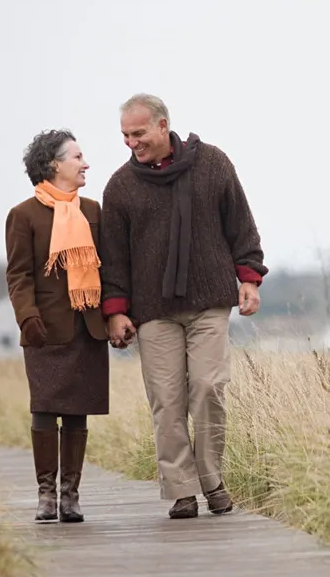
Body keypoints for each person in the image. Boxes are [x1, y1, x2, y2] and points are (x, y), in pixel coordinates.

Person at [99, 93, 267, 519]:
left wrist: (249, 277)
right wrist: (116, 310)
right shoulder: (120, 187)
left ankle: (212, 480)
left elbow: (241, 225)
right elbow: (114, 257)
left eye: (139, 133)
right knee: (167, 400)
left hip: (210, 299)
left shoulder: (212, 164)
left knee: (209, 388)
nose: (132, 142)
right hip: (152, 309)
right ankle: (181, 490)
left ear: (162, 125)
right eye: (125, 135)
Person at [4, 128, 110, 523]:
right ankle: (46, 496)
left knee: (78, 411)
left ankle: (71, 496)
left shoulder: (93, 211)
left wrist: (115, 314)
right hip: (45, 329)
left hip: (88, 325)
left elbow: (108, 267)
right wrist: (27, 317)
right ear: (54, 165)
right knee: (45, 409)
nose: (85, 164)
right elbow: (18, 275)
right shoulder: (23, 215)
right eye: (77, 157)